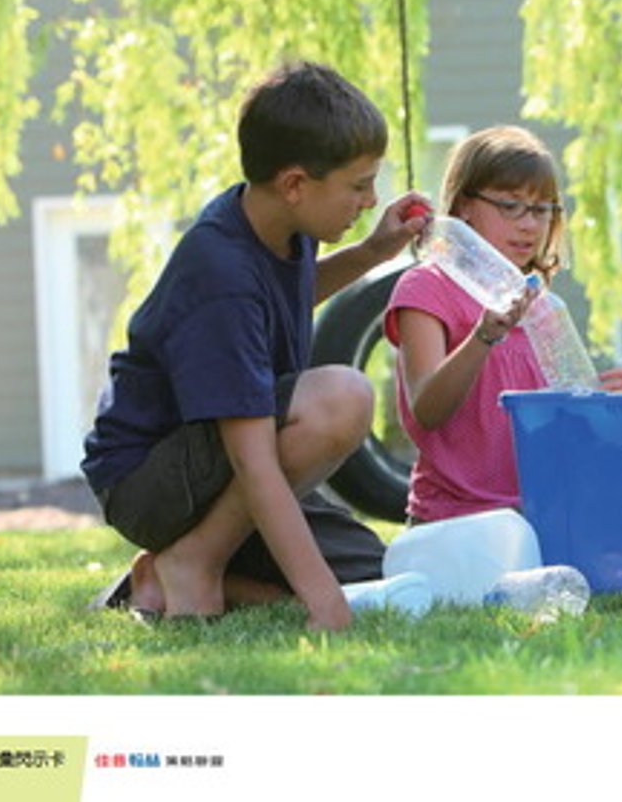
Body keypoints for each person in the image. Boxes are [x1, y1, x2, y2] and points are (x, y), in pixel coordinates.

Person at [82, 60, 430, 631]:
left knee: (373, 570)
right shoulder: (219, 269)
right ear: (296, 184)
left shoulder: (275, 223)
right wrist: (323, 602)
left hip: (213, 470)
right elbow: (250, 456)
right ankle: (196, 561)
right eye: (359, 185)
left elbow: (280, 299)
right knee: (341, 396)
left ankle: (158, 575)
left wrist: (372, 253)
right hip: (150, 479)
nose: (369, 200)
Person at [385, 125, 622, 525]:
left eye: (541, 209)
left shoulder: (542, 305)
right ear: (465, 206)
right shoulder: (427, 287)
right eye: (510, 205)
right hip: (456, 520)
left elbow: (567, 430)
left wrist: (612, 401)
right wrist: (483, 337)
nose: (529, 225)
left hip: (540, 513)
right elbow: (427, 410)